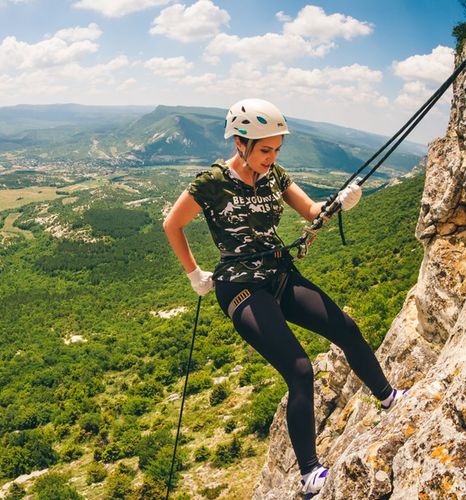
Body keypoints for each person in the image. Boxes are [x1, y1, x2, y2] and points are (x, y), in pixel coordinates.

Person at [162, 99, 409, 498]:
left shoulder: (275, 176)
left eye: (276, 149)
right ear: (240, 143)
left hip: (279, 273)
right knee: (299, 370)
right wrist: (194, 274)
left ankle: (389, 397)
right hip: (240, 285)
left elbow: (311, 211)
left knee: (345, 329)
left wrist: (336, 203)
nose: (271, 157)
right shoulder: (211, 182)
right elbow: (172, 224)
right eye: (264, 150)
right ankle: (310, 475)